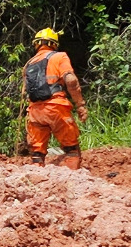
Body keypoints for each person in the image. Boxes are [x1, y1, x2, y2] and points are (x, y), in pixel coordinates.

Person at [22, 26, 86, 169]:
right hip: (56, 108)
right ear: (54, 44)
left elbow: (26, 91)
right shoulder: (59, 57)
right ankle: (74, 180)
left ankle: (38, 183)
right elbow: (71, 81)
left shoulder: (28, 64)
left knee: (37, 153)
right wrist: (80, 105)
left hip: (35, 112)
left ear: (36, 44)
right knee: (71, 148)